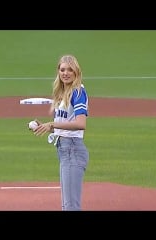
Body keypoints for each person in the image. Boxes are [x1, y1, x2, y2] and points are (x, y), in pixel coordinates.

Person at [33, 54, 89, 211]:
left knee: (71, 206)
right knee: (67, 205)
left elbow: (80, 123)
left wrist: (52, 123)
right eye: (62, 69)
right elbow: (64, 124)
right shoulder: (63, 93)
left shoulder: (78, 92)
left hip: (73, 149)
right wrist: (47, 126)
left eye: (70, 70)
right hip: (64, 150)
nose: (66, 73)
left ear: (76, 72)